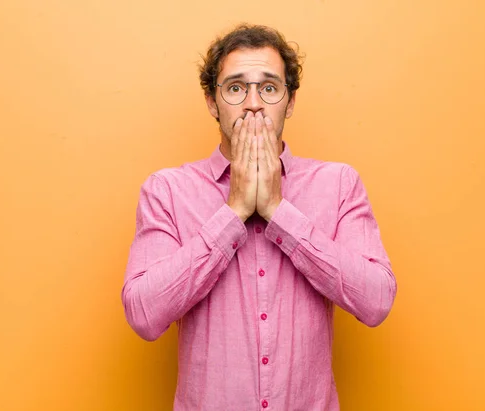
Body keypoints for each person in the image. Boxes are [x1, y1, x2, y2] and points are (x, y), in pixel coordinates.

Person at [121, 23, 397, 410]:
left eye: (269, 88)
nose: (253, 103)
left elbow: (377, 300)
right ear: (212, 102)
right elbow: (144, 314)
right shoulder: (167, 190)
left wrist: (277, 211)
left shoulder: (339, 184)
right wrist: (233, 212)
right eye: (236, 88)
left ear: (291, 101)